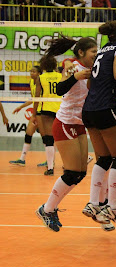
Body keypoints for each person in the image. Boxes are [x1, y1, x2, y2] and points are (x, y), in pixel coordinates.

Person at [35, 35, 98, 232]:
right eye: (93, 52)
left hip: (79, 124)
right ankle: (47, 209)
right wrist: (74, 76)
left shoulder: (91, 68)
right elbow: (60, 89)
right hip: (65, 122)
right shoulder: (71, 65)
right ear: (81, 53)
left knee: (80, 174)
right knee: (71, 172)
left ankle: (48, 208)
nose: (95, 55)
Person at [81, 20, 116, 228]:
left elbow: (95, 81)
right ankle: (111, 206)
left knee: (103, 158)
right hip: (105, 108)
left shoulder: (103, 49)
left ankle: (93, 203)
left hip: (89, 109)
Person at [9, 66, 47, 167]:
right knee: (28, 133)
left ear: (39, 73)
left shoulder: (42, 83)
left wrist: (35, 114)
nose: (31, 73)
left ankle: (49, 160)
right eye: (31, 71)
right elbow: (33, 99)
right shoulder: (31, 82)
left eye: (34, 71)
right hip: (36, 112)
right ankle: (22, 159)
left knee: (45, 136)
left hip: (42, 112)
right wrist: (21, 107)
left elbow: (41, 98)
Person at [31, 55, 62, 176]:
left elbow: (37, 97)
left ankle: (50, 168)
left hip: (47, 109)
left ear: (43, 66)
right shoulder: (61, 76)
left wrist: (34, 115)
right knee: (63, 138)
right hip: (60, 108)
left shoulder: (41, 77)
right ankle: (67, 165)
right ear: (55, 65)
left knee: (49, 139)